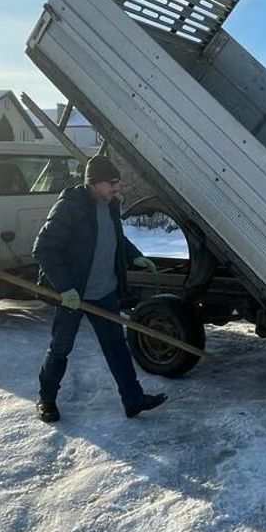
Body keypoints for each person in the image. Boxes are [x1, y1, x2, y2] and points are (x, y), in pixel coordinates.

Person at [32, 155, 166, 423]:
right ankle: (46, 400)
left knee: (117, 347)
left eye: (117, 183)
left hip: (104, 291)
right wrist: (66, 288)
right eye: (112, 183)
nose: (117, 188)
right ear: (94, 183)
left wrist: (134, 255)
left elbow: (115, 237)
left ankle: (133, 399)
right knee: (60, 348)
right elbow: (43, 249)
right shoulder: (69, 207)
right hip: (75, 295)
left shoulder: (110, 205)